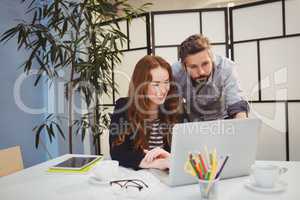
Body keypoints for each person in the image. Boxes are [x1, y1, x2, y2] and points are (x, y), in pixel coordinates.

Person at [109, 55, 184, 170]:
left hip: (167, 177)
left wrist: (170, 158)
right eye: (156, 84)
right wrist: (153, 163)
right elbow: (117, 153)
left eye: (166, 82)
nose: (164, 89)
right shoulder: (124, 107)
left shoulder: (174, 108)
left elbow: (185, 152)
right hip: (137, 178)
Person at [172, 34, 249, 121]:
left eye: (205, 64)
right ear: (183, 66)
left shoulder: (226, 68)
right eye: (193, 67)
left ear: (212, 58)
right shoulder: (175, 72)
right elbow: (172, 106)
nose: (201, 72)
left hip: (223, 119)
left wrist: (242, 128)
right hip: (192, 122)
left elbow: (236, 104)